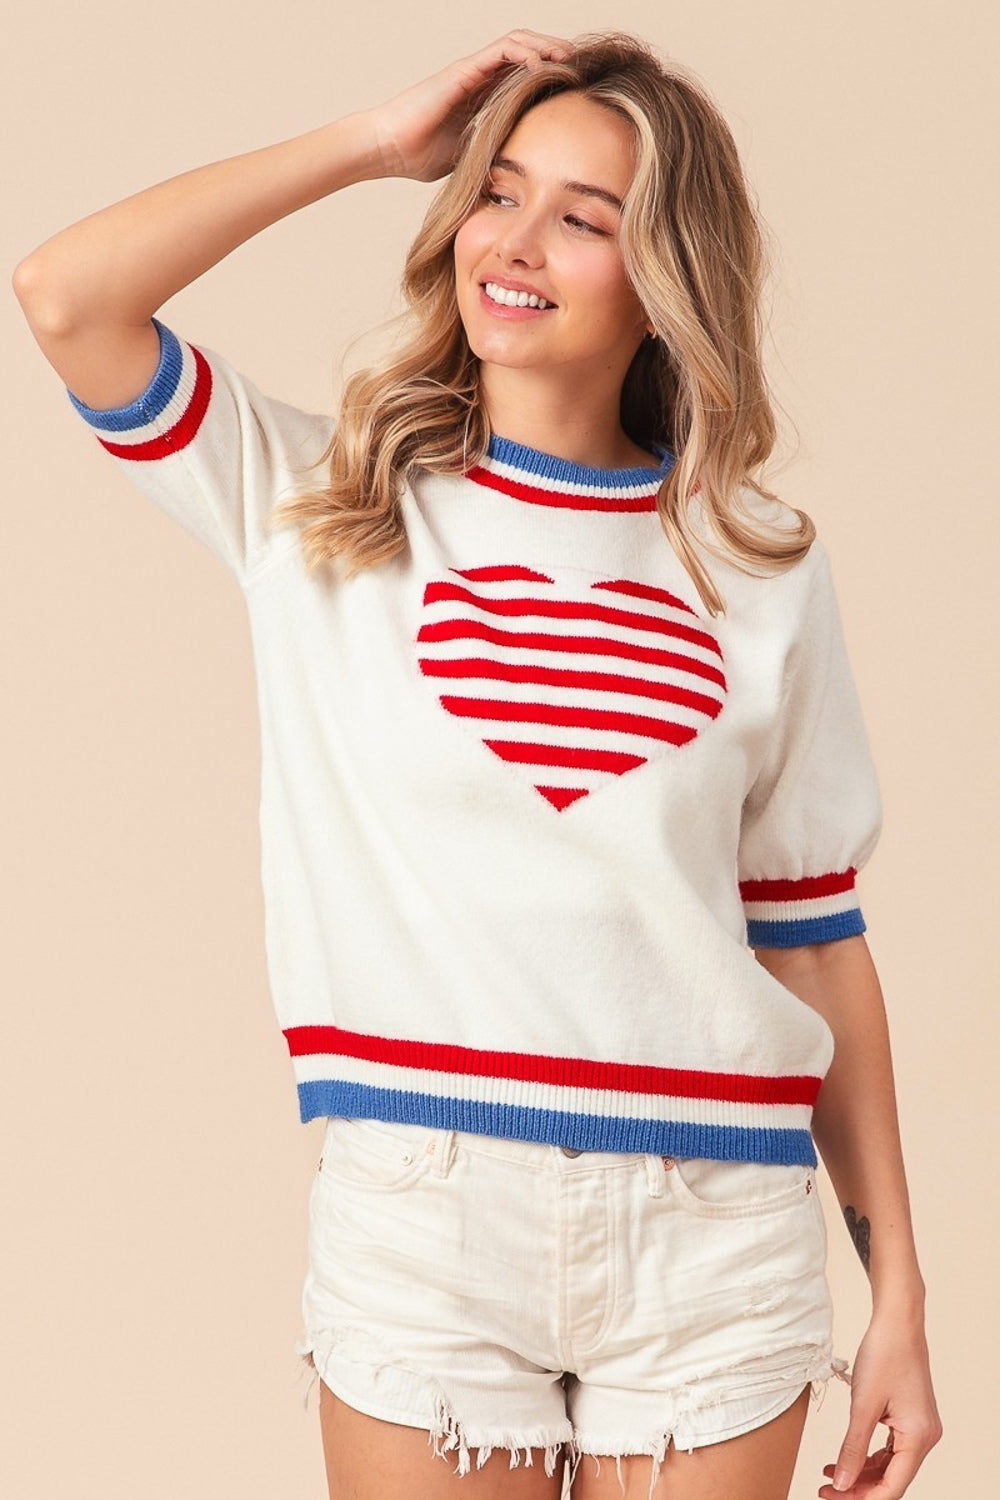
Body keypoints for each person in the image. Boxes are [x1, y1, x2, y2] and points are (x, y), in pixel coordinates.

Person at [13, 27, 941, 1500]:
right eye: (495, 193)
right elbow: (66, 295)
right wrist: (376, 143)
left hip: (715, 1225)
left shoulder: (759, 564)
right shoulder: (318, 506)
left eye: (582, 218)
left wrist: (900, 1295)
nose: (514, 242)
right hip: (425, 1214)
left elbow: (818, 944)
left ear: (667, 276)